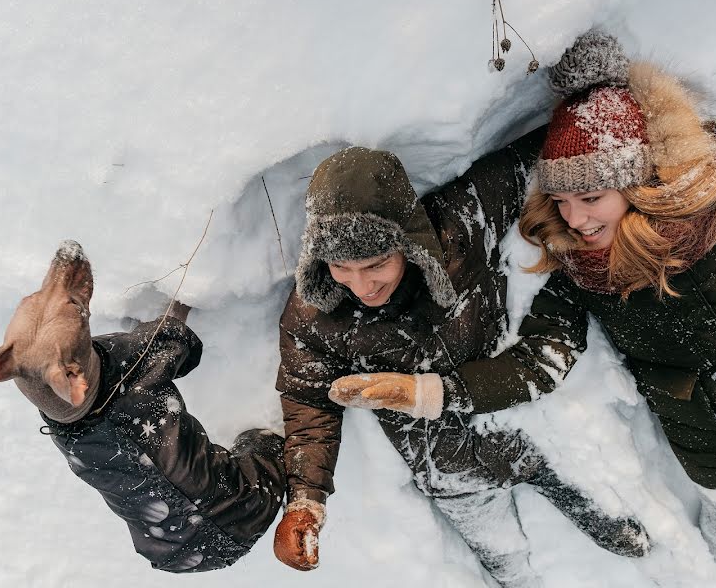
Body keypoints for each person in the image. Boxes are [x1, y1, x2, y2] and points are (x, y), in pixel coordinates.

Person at [331, 30, 716, 582]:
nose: (575, 219)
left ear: (638, 185)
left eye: (591, 198)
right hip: (706, 426)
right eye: (563, 201)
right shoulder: (579, 271)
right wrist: (430, 393)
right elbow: (539, 362)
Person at [271, 129, 650, 584]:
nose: (362, 285)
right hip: (446, 469)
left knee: (613, 524)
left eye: (375, 265)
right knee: (512, 572)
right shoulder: (313, 315)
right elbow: (307, 403)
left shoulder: (461, 225)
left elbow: (545, 155)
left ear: (407, 241)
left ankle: (639, 550)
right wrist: (306, 501)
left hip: (516, 421)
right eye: (341, 268)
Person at [0, 241, 286, 573]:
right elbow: (179, 344)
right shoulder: (137, 384)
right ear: (72, 380)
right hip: (246, 506)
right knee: (264, 438)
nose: (63, 266)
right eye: (74, 304)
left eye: (37, 297)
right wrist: (190, 285)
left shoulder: (66, 424)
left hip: (170, 550)